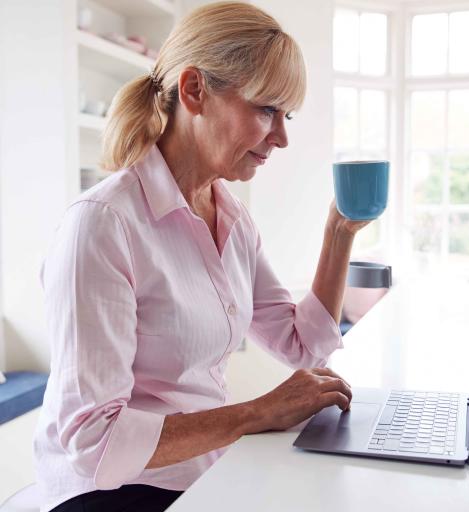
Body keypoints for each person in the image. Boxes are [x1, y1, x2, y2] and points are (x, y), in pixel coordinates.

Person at [33, 2, 370, 511]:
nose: (281, 137)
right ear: (194, 91)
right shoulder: (104, 223)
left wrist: (339, 230)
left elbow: (303, 346)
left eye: (287, 115)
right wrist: (257, 412)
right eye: (266, 110)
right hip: (109, 492)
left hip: (201, 471)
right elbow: (94, 443)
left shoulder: (230, 216)